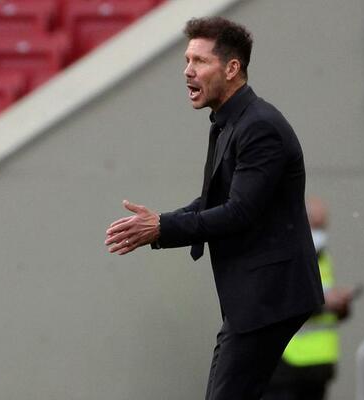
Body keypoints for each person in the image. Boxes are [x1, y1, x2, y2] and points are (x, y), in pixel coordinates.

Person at [105, 17, 324, 400]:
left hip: (270, 295)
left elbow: (239, 212)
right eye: (187, 60)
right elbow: (215, 201)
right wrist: (159, 225)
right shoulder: (229, 122)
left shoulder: (259, 126)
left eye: (200, 61)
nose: (187, 71)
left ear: (232, 68)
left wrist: (161, 227)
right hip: (252, 298)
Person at [262, 197, 356, 400]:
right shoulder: (280, 253)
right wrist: (323, 303)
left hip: (318, 367)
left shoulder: (322, 257)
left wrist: (341, 306)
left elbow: (325, 307)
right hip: (287, 363)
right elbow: (275, 301)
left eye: (323, 226)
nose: (320, 233)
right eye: (315, 225)